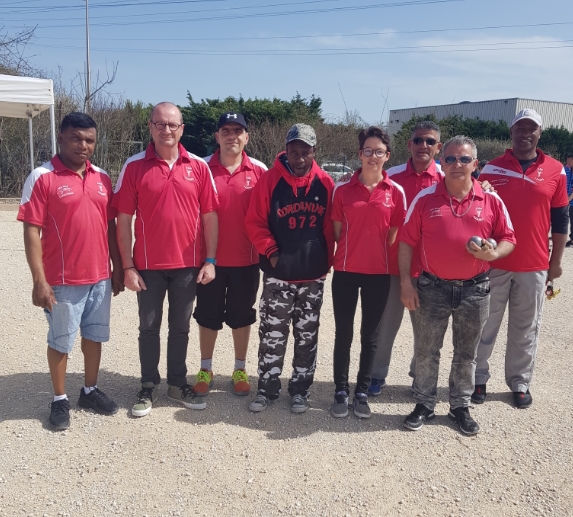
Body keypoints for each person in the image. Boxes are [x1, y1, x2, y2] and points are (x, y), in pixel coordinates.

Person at [400, 135, 516, 435]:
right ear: (442, 162)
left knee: (467, 353)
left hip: (475, 289)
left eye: (464, 159)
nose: (456, 164)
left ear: (475, 164)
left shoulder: (491, 199)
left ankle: (459, 406)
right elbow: (406, 242)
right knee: (427, 350)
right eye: (450, 158)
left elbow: (508, 239)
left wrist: (494, 252)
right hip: (432, 287)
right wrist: (406, 283)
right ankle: (424, 403)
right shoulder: (425, 198)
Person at [18, 112, 123, 431]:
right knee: (61, 340)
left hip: (99, 279)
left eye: (89, 140)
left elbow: (110, 226)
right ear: (61, 138)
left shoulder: (102, 178)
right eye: (76, 138)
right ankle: (59, 398)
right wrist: (39, 280)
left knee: (94, 336)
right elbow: (31, 230)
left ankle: (89, 391)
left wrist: (117, 267)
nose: (83, 145)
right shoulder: (42, 176)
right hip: (62, 281)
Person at [113, 102, 219, 417]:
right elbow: (123, 220)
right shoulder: (134, 166)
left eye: (172, 124)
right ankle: (148, 385)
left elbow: (210, 217)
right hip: (147, 267)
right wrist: (127, 266)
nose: (166, 130)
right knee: (148, 327)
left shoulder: (199, 166)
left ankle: (176, 383)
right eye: (160, 124)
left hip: (188, 265)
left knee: (181, 327)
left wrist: (210, 259)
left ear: (182, 128)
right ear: (150, 127)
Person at [473, 109, 569, 409]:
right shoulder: (491, 169)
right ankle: (477, 378)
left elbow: (561, 219)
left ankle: (519, 382)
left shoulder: (555, 170)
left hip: (535, 264)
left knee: (525, 327)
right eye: (520, 128)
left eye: (531, 128)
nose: (525, 133)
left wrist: (557, 263)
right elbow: (478, 215)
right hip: (495, 263)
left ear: (540, 132)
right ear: (511, 132)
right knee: (484, 325)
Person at [245, 123, 335, 413]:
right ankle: (267, 389)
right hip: (278, 276)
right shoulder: (270, 181)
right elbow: (254, 222)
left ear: (314, 152)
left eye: (304, 152)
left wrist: (324, 260)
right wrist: (272, 254)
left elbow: (329, 227)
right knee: (272, 334)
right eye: (293, 151)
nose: (298, 158)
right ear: (285, 151)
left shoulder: (325, 183)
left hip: (312, 277)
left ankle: (300, 391)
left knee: (307, 336)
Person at [330, 127, 406, 419]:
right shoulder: (342, 190)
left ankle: (361, 391)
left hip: (378, 274)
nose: (372, 157)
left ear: (387, 156)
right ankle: (340, 389)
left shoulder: (395, 193)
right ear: (359, 154)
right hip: (346, 272)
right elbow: (338, 232)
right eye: (367, 151)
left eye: (379, 152)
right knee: (343, 333)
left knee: (370, 335)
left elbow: (393, 235)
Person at [192, 112, 267, 396]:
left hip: (246, 260)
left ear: (246, 137)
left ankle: (239, 368)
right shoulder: (201, 168)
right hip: (208, 261)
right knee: (207, 316)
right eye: (226, 130)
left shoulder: (259, 170)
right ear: (217, 136)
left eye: (238, 131)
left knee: (242, 316)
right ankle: (205, 367)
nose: (232, 136)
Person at [368, 121, 443, 395]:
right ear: (409, 145)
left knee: (426, 331)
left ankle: (419, 376)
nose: (423, 145)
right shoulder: (391, 176)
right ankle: (376, 375)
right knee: (384, 325)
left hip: (429, 269)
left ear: (438, 146)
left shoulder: (446, 180)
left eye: (429, 141)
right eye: (418, 140)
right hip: (391, 266)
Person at [565, 153, 573, 247]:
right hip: (570, 200)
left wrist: (567, 200)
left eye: (570, 161)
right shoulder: (567, 169)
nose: (568, 163)